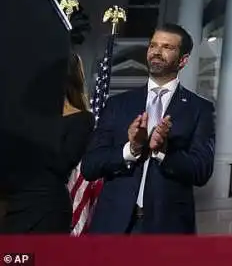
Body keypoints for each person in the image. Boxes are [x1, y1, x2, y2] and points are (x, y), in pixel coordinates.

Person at [80, 23, 215, 234]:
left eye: (167, 47)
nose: (157, 52)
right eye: (153, 45)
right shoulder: (118, 105)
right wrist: (131, 149)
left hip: (167, 231)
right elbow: (90, 166)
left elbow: (201, 170)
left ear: (183, 60)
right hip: (112, 227)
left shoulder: (200, 109)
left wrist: (162, 151)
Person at [1, 52, 94, 233]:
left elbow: (63, 162)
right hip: (13, 205)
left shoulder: (82, 119)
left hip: (47, 208)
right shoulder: (25, 116)